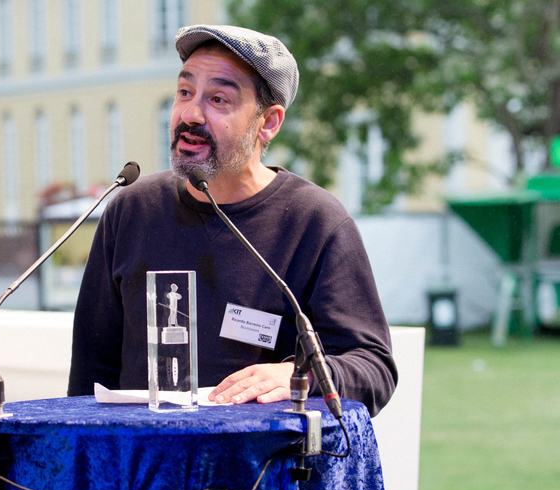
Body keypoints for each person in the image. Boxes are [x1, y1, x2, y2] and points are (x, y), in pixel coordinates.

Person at [68, 25, 397, 415]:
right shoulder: (131, 210)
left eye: (218, 99)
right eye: (184, 92)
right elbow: (91, 374)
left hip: (259, 469)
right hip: (141, 465)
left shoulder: (315, 222)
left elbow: (373, 367)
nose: (190, 115)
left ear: (268, 123)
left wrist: (298, 376)